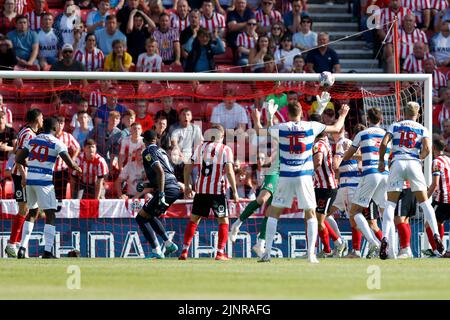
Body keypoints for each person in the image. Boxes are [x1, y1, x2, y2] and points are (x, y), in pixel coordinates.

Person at [258, 102, 350, 263]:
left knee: (274, 213)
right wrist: (342, 114)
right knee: (311, 214)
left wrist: (270, 117)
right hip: (304, 176)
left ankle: (267, 253)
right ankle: (311, 255)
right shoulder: (310, 126)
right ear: (302, 113)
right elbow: (336, 128)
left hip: (286, 175)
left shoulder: (282, 127)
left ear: (288, 114)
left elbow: (265, 131)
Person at [377, 101, 445, 259]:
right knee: (425, 203)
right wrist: (419, 158)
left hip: (397, 163)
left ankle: (385, 238)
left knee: (390, 204)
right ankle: (436, 235)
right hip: (414, 163)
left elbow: (384, 143)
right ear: (418, 114)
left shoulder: (394, 125)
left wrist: (381, 160)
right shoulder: (422, 129)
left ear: (404, 112)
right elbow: (427, 149)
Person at [15, 117, 82, 259]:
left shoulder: (32, 140)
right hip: (44, 182)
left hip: (31, 180)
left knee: (32, 213)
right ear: (56, 128)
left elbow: (19, 159)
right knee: (50, 214)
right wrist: (77, 167)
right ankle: (47, 251)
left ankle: (21, 248)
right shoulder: (57, 143)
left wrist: (32, 166)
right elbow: (69, 163)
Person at [179, 124, 239, 260]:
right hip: (217, 192)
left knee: (194, 220)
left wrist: (187, 185)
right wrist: (235, 191)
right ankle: (220, 253)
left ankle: (184, 251)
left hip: (201, 191)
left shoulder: (200, 148)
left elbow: (187, 167)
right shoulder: (225, 149)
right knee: (223, 221)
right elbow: (229, 171)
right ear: (222, 136)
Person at [342, 108, 387, 258]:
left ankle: (374, 243)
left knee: (354, 212)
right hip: (385, 175)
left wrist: (349, 155)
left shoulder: (362, 134)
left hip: (370, 174)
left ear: (367, 119)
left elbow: (347, 156)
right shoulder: (387, 134)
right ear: (381, 119)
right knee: (385, 213)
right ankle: (392, 247)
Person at [135, 130, 180, 258]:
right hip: (174, 188)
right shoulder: (162, 152)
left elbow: (160, 172)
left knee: (141, 218)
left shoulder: (148, 152)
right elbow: (166, 175)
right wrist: (146, 185)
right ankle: (168, 243)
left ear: (144, 141)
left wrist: (161, 194)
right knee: (150, 214)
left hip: (166, 189)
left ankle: (157, 250)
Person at [4, 108, 43, 258]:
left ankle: (17, 245)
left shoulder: (25, 132)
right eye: (42, 117)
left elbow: (15, 150)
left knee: (28, 209)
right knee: (25, 209)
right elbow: (19, 155)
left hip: (22, 174)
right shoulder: (28, 134)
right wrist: (24, 175)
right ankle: (13, 245)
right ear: (37, 119)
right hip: (21, 176)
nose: (43, 120)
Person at [311, 114, 347, 258]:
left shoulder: (318, 144)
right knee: (317, 218)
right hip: (320, 186)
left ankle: (334, 246)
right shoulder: (324, 138)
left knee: (319, 220)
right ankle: (332, 246)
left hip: (326, 188)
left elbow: (318, 162)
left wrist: (306, 170)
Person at [427, 138, 450, 257]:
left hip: (443, 199)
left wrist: (426, 198)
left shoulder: (436, 162)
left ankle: (437, 251)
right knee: (439, 223)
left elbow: (435, 184)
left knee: (428, 223)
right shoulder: (448, 159)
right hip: (447, 197)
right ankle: (442, 251)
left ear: (433, 148)